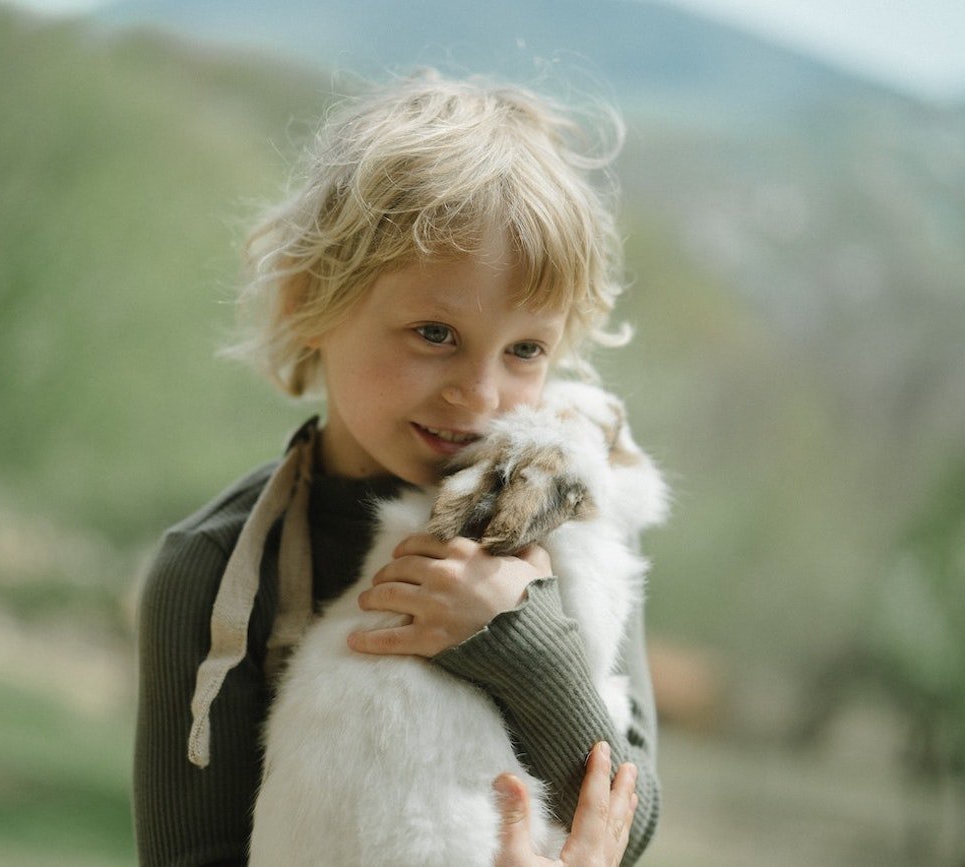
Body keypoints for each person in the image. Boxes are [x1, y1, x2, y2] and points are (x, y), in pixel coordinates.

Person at [133, 70, 660, 866]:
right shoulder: (215, 569)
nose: (479, 396)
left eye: (524, 349)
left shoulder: (568, 519)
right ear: (312, 300)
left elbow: (633, 816)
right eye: (434, 333)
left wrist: (517, 635)